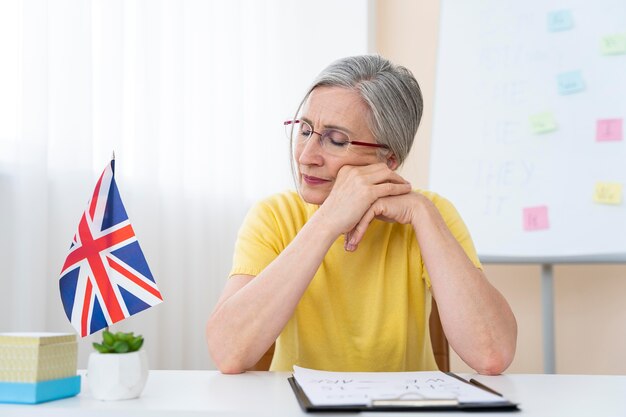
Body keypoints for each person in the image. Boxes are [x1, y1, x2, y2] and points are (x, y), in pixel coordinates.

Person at [206, 55, 517, 375]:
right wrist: (327, 221)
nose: (307, 156)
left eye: (336, 140)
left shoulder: (430, 214)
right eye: (305, 130)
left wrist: (422, 214)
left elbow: (491, 354)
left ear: (389, 159)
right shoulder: (274, 216)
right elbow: (228, 352)